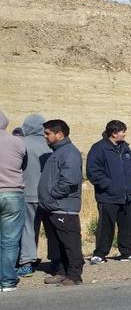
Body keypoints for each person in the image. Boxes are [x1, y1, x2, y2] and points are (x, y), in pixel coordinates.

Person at [86, 120, 131, 263]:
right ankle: (100, 254)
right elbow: (93, 172)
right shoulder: (98, 148)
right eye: (122, 131)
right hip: (108, 197)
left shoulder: (126, 149)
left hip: (128, 196)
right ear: (114, 133)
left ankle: (127, 252)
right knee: (106, 227)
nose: (124, 134)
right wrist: (109, 185)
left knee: (128, 226)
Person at [37, 119, 84, 286]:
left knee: (70, 243)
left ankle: (75, 275)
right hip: (53, 207)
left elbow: (69, 180)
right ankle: (61, 272)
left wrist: (52, 195)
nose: (45, 137)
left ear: (59, 134)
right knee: (56, 243)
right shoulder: (58, 152)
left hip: (64, 207)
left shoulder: (70, 152)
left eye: (47, 133)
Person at [15, 114, 48, 278]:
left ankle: (27, 262)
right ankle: (56, 260)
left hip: (27, 192)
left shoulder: (22, 143)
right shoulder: (50, 143)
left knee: (28, 228)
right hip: (49, 195)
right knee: (51, 229)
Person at [0, 111, 27, 293]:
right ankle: (8, 281)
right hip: (12, 193)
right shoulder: (17, 142)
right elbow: (23, 164)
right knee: (10, 240)